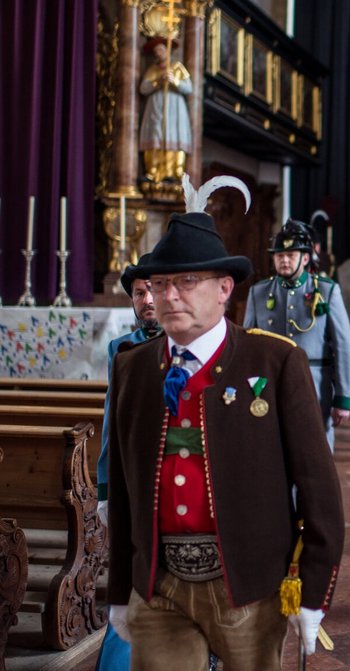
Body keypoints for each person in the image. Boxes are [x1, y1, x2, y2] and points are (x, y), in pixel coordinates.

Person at [105, 200, 344, 671]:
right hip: (160, 587)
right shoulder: (132, 367)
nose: (168, 296)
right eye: (159, 283)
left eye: (187, 281)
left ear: (224, 289)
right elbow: (125, 488)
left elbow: (319, 490)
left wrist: (313, 592)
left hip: (249, 587)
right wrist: (120, 591)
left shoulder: (275, 363)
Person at [95, 257, 162, 671]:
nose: (147, 299)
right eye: (139, 293)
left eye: (152, 289)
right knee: (132, 581)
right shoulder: (120, 349)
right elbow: (109, 423)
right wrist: (104, 490)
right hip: (133, 482)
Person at [243, 218, 350, 450]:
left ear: (305, 258)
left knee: (317, 449)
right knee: (272, 448)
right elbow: (248, 345)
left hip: (314, 382)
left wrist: (343, 398)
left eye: (291, 255)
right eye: (279, 255)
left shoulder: (325, 290)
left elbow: (343, 346)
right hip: (270, 383)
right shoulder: (259, 292)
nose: (284, 260)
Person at [139, 37, 193, 183]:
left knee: (172, 134)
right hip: (156, 107)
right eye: (156, 51)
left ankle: (174, 171)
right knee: (156, 134)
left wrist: (174, 81)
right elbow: (143, 89)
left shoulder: (177, 67)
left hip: (174, 108)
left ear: (167, 51)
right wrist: (158, 81)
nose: (158, 53)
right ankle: (153, 171)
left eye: (161, 49)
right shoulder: (152, 70)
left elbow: (189, 88)